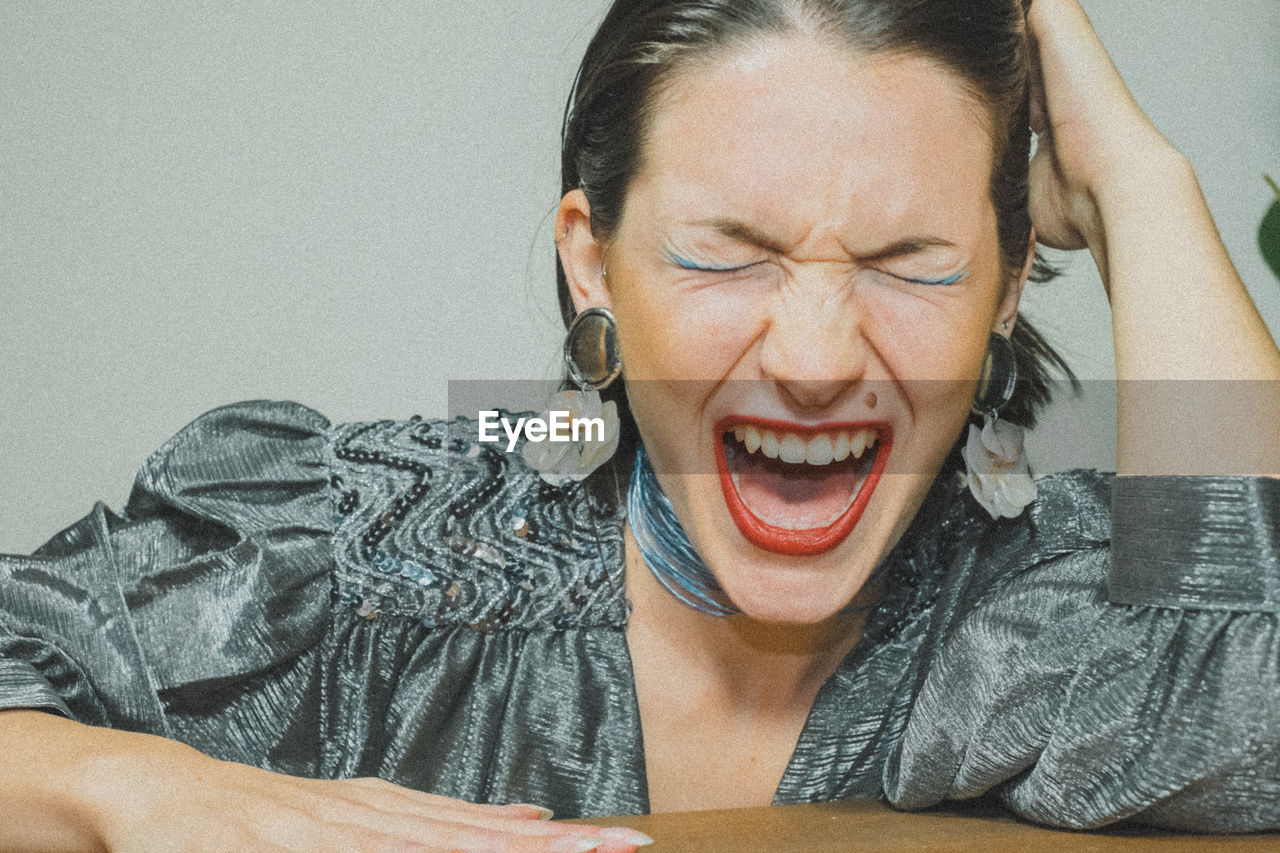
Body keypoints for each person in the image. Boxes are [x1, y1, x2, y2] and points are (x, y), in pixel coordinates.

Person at [2, 0, 1278, 849]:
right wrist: (147, 790)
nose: (817, 358)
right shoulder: (379, 527)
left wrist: (1140, 189)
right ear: (593, 262)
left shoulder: (1030, 595)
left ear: (1006, 289)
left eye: (911, 263)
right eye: (726, 255)